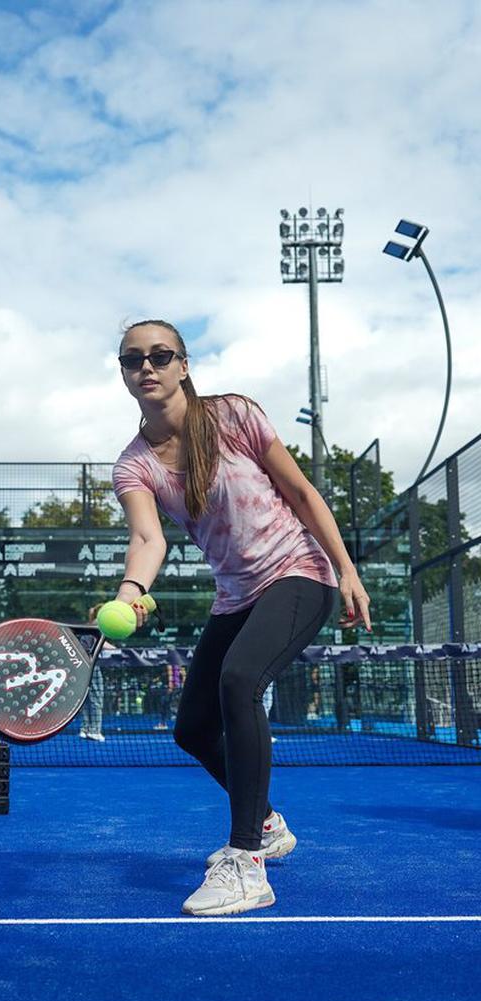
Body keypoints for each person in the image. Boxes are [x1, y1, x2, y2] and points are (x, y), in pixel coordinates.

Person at [111, 319, 371, 916]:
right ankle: (269, 822)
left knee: (239, 682)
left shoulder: (234, 415)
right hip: (236, 595)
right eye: (132, 360)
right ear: (123, 373)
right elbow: (148, 539)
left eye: (159, 355)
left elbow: (303, 494)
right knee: (193, 729)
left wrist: (346, 568)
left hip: (298, 573)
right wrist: (129, 593)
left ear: (183, 364)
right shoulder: (134, 465)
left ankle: (247, 862)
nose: (146, 367)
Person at [79, 603, 108, 741]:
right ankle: (95, 730)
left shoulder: (90, 624)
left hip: (82, 665)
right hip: (92, 665)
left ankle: (85, 729)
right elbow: (103, 644)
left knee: (85, 698)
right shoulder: (99, 625)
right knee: (97, 697)